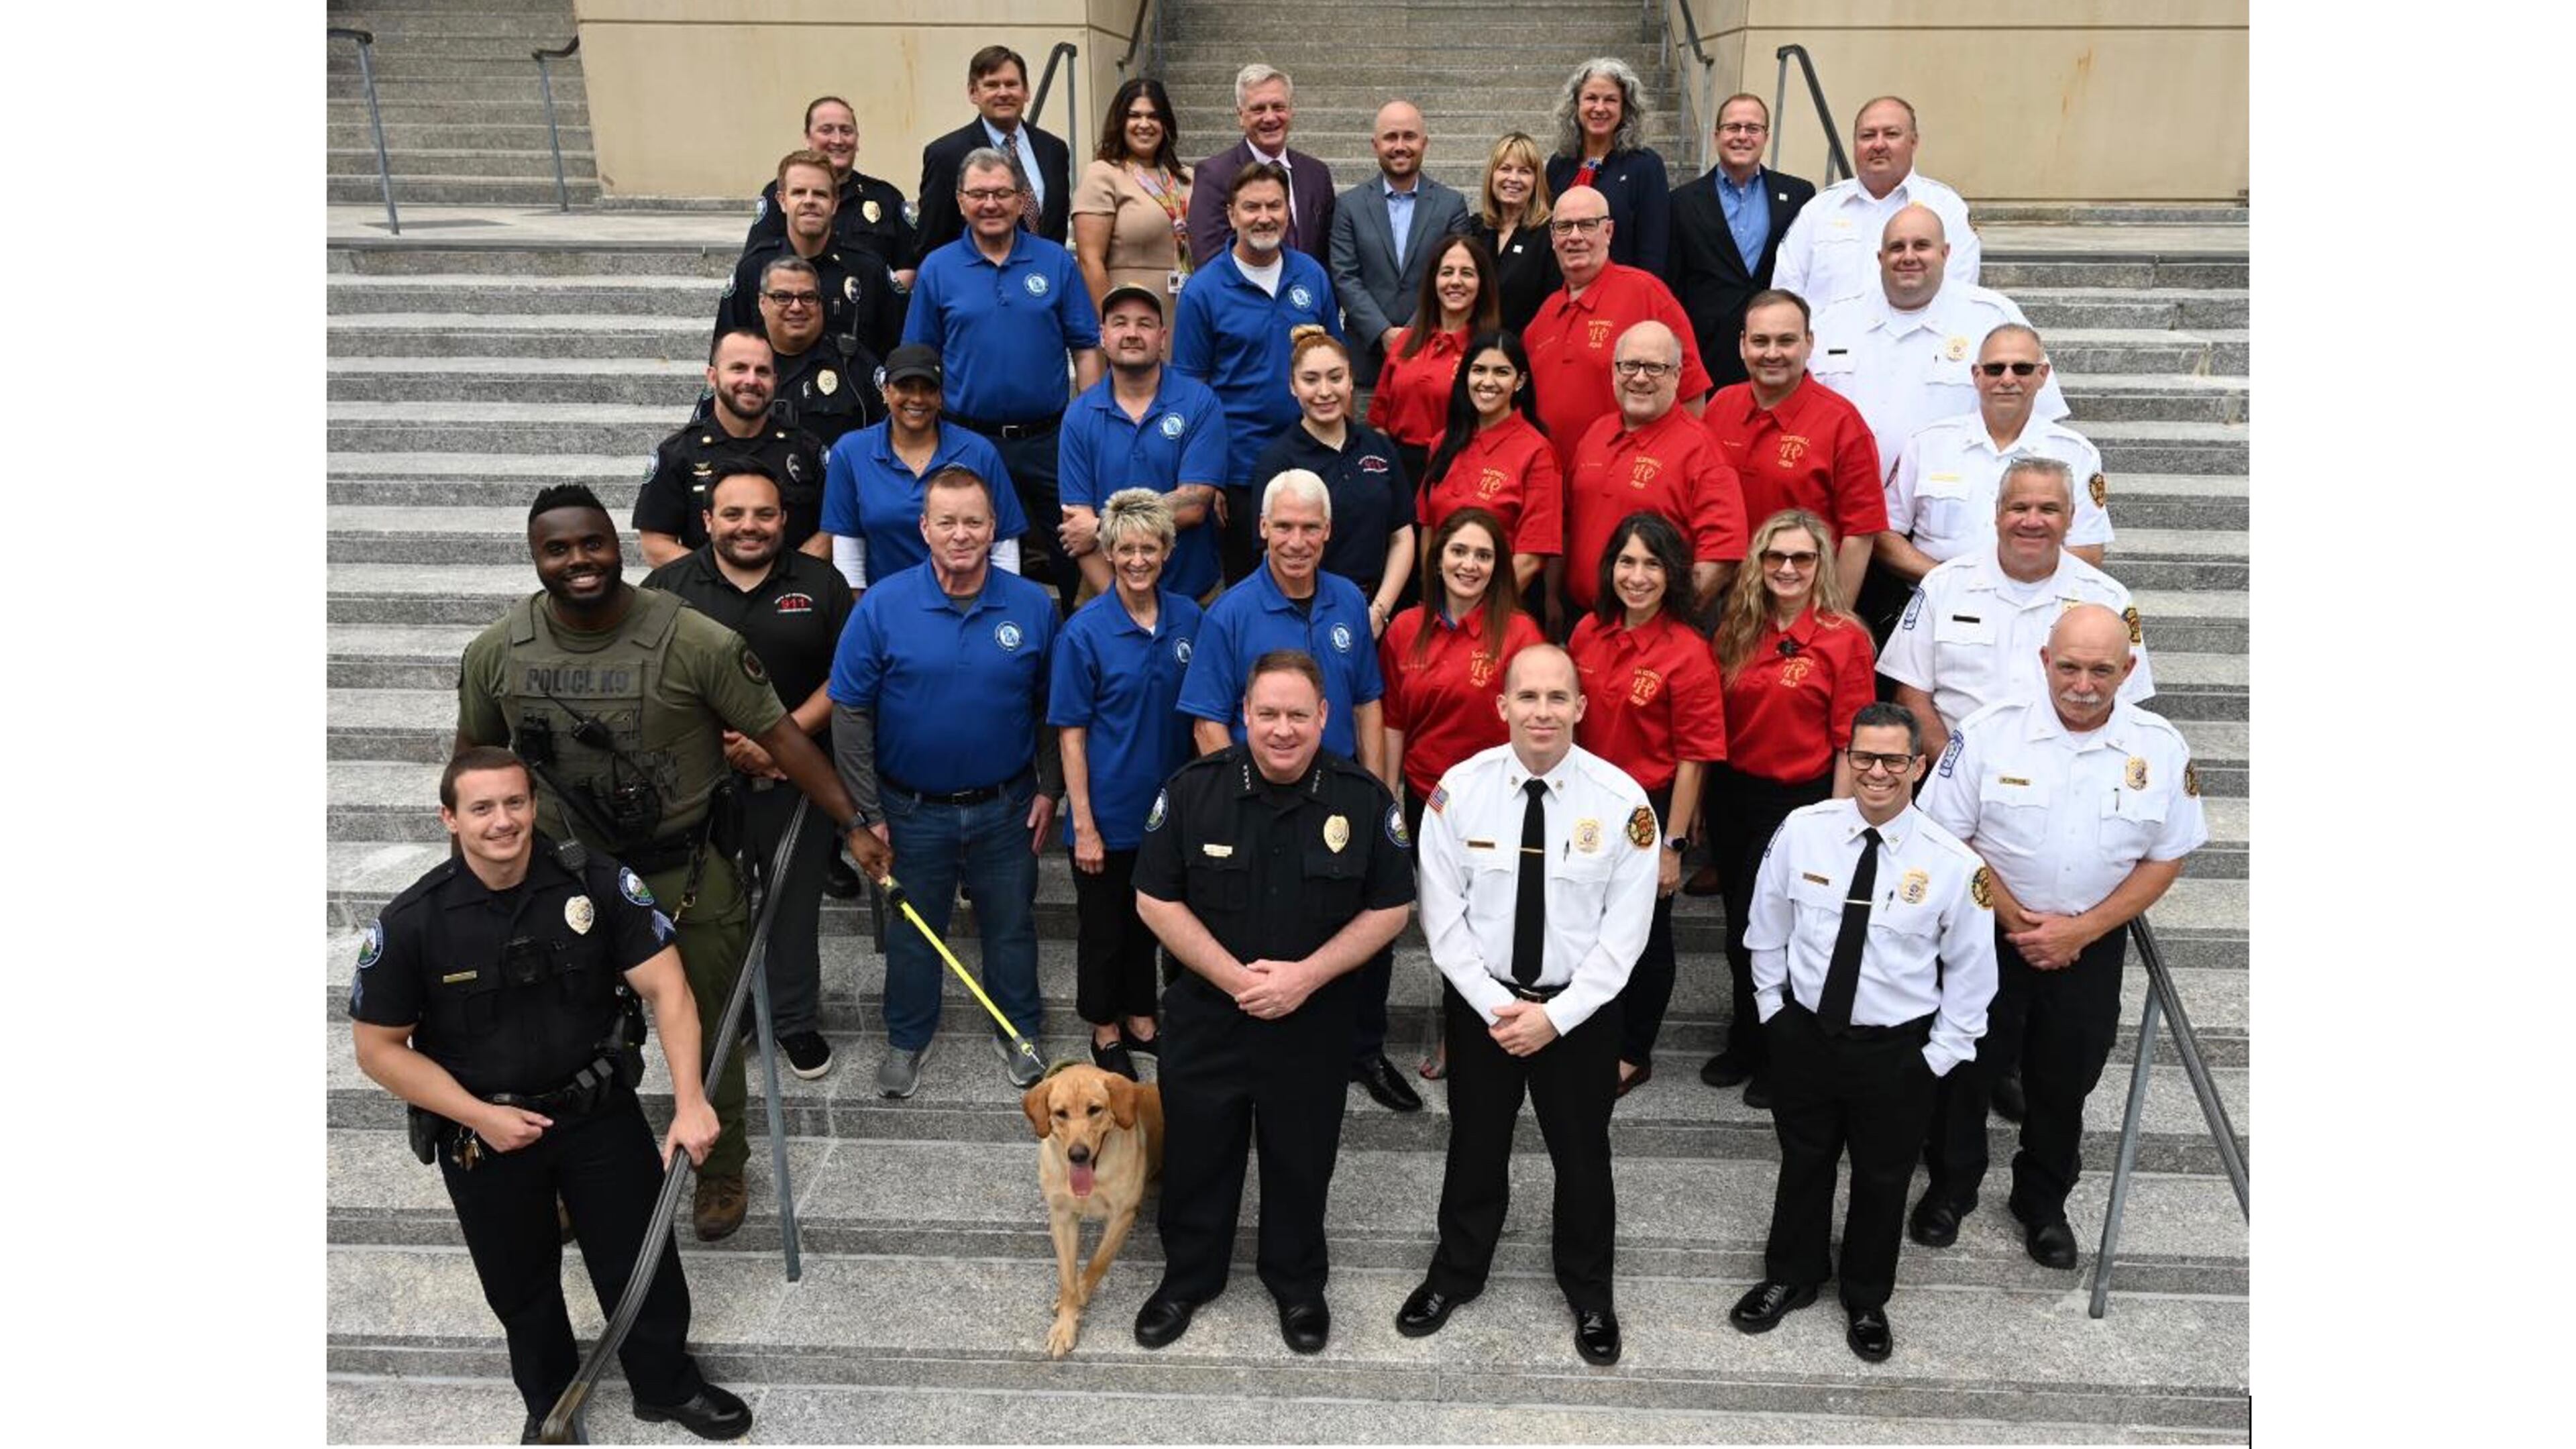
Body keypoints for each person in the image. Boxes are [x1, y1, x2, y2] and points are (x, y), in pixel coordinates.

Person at [455, 484, 883, 1242]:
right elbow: (475, 765)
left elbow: (782, 738)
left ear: (615, 544)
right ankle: (572, 1171)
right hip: (563, 877)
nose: (578, 560)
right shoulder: (496, 653)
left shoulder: (696, 639)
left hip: (683, 872)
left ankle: (719, 1170)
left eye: (591, 543)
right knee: (562, 1037)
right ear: (535, 557)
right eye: (557, 549)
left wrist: (851, 820)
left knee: (713, 1025)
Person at [349, 748, 752, 1444]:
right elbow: (378, 1049)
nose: (502, 821)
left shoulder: (596, 883)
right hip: (484, 1134)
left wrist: (690, 1101)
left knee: (640, 1257)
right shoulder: (415, 922)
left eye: (514, 803)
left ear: (533, 806)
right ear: (450, 818)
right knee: (520, 1281)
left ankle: (664, 1384)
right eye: (481, 808)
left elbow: (670, 989)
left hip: (597, 1114)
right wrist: (479, 1116)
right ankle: (551, 1404)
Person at [1130, 650, 1416, 1355]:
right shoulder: (1195, 790)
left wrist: (1305, 978)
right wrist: (1237, 979)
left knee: (1301, 1157)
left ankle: (1296, 1284)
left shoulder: (1363, 799)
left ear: (1324, 717)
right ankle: (1189, 1279)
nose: (1281, 730)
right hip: (1208, 1018)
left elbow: (1392, 909)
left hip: (1311, 1023)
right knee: (1198, 1153)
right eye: (1267, 714)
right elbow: (1154, 898)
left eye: (1297, 715)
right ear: (1244, 717)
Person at [1910, 605, 2207, 1269]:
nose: (2082, 682)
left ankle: (2042, 1202)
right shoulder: (1989, 734)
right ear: (2046, 661)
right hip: (1988, 936)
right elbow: (1944, 839)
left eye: (2101, 670)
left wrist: (2083, 930)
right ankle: (1951, 1187)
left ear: (2127, 671)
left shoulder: (2158, 747)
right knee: (1964, 1068)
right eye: (2068, 666)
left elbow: (2167, 855)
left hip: (2090, 946)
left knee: (2066, 1078)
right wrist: (2017, 920)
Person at [1399, 644, 1658, 1366]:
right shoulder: (1458, 793)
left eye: (1557, 697)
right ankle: (1455, 1273)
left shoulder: (1623, 804)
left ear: (1580, 708)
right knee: (1475, 1146)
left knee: (1583, 1157)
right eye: (1528, 696)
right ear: (1502, 706)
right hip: (1485, 1013)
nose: (1542, 711)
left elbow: (1625, 935)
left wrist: (1556, 1015)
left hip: (1579, 1015)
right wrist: (1495, 1006)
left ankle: (1590, 1292)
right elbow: (1442, 920)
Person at [1727, 702, 1996, 1364]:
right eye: (1865, 758)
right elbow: (1766, 928)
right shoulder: (1804, 830)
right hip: (1808, 1037)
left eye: (1894, 760)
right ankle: (1791, 1275)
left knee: (1883, 1178)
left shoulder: (1952, 863)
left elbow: (1972, 976)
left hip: (1897, 1051)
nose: (1878, 772)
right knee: (1804, 1162)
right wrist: (1773, 1013)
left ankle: (1867, 1296)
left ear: (1919, 766)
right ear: (1847, 759)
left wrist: (1936, 1059)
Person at [1176, 470, 1414, 1113]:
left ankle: (1364, 1051)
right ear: (1261, 530)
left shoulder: (1347, 603)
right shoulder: (1229, 613)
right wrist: (1243, 796)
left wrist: (1379, 790)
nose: (1297, 540)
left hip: (1341, 801)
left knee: (1360, 936)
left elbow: (1367, 700)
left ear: (1329, 532)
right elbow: (1206, 719)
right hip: (1260, 803)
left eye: (1310, 527)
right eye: (1284, 526)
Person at [828, 466, 1061, 1098]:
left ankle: (1020, 1033)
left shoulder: (1033, 607)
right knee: (910, 931)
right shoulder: (881, 605)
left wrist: (1049, 789)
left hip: (1007, 807)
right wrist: (866, 813)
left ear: (994, 529)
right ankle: (907, 1038)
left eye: (975, 522)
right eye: (948, 522)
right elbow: (850, 714)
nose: (962, 535)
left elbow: (1052, 710)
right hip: (910, 811)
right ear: (924, 528)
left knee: (1011, 924)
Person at [641, 462, 854, 1081]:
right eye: (733, 514)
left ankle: (794, 1021)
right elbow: (654, 682)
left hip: (798, 781)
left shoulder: (821, 583)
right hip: (702, 789)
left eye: (764, 513)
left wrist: (781, 745)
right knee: (717, 909)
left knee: (792, 905)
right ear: (707, 521)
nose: (749, 526)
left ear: (785, 519)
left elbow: (846, 677)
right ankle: (732, 1015)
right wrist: (724, 746)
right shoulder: (668, 586)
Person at [1694, 510, 1878, 1109]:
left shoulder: (1844, 636)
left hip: (1802, 801)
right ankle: (1745, 1037)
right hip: (1734, 794)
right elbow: (1713, 722)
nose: (1788, 568)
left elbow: (1852, 738)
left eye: (1801, 557)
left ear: (1820, 564)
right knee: (1741, 927)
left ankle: (1783, 1053)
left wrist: (1837, 820)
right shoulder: (1738, 628)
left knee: (1788, 933)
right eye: (1776, 557)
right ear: (1758, 564)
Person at [1377, 507, 1545, 1079]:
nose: (1469, 565)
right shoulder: (1406, 628)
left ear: (1497, 567)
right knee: (1444, 923)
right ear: (1438, 557)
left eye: (1483, 555)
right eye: (1459, 552)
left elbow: (1535, 722)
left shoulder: (1519, 633)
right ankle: (1457, 1023)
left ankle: (1468, 1034)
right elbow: (1394, 720)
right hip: (1430, 799)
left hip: (1501, 805)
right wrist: (1389, 797)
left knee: (1488, 924)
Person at [1564, 512, 1727, 1095]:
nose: (1637, 576)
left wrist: (1673, 845)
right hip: (1585, 806)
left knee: (1646, 934)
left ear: (1672, 574)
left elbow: (1695, 756)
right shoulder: (1586, 633)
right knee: (1587, 926)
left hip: (1647, 812)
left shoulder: (1688, 652)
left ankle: (1634, 1051)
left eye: (1652, 564)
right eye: (1627, 562)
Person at [1048, 488, 1206, 1079]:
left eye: (1149, 548)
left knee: (1152, 922)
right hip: (1106, 814)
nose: (1138, 560)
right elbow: (1072, 735)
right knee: (1104, 931)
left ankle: (1143, 1019)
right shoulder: (1084, 632)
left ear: (1166, 551)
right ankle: (1105, 1029)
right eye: (1126, 549)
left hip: (1169, 814)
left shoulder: (1191, 618)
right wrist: (1083, 825)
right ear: (1108, 553)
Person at [904, 147, 1104, 609]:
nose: (990, 204)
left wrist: (1088, 420)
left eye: (1001, 194)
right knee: (971, 544)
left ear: (1020, 200)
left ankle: (1077, 641)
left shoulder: (1055, 262)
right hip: (968, 438)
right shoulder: (938, 268)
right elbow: (920, 357)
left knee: (1075, 547)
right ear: (960, 201)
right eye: (978, 194)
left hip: (1050, 438)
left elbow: (1086, 347)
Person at [1879, 459, 2154, 765]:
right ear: (1998, 512)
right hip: (1959, 776)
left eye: (2049, 509)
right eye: (2019, 508)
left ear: (2071, 517)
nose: (2032, 521)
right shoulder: (1944, 585)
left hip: (2070, 775)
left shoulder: (2108, 597)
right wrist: (1954, 773)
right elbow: (1910, 695)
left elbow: (2127, 706)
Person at [1169, 163, 1344, 584]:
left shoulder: (1311, 276)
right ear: (1231, 214)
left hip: (1312, 458)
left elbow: (1336, 365)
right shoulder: (1203, 291)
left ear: (1289, 212)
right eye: (1251, 207)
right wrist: (1207, 479)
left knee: (1315, 581)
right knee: (1251, 587)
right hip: (1240, 472)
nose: (1264, 216)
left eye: (1274, 206)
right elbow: (1190, 393)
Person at [1809, 205, 2065, 473]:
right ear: (1880, 257)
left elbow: (2042, 420)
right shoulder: (1834, 321)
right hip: (1846, 499)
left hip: (1950, 503)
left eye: (1921, 246)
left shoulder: (1992, 317)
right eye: (1897, 247)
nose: (1908, 257)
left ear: (1945, 253)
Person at [1880, 322, 2112, 589]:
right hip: (1938, 597)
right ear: (1976, 375)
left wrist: (2016, 587)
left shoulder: (2076, 454)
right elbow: (1885, 534)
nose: (2007, 379)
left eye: (2022, 368)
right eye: (1995, 369)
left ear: (2043, 375)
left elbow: (2088, 550)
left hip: (2036, 602)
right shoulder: (1927, 444)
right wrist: (1948, 580)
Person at [1699, 290, 1885, 600]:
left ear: (1809, 343)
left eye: (1786, 341)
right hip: (1725, 600)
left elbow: (1860, 534)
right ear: (1743, 345)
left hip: (1799, 603)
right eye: (1760, 341)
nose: (1772, 353)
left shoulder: (1842, 423)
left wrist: (1833, 620)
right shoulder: (1720, 406)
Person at [1560, 320, 1745, 619]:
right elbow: (1568, 521)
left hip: (1654, 634)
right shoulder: (1596, 433)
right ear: (1614, 372)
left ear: (1676, 375)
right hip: (1582, 623)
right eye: (1630, 366)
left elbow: (1722, 555)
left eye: (1654, 368)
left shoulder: (1701, 450)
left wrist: (1666, 622)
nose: (1640, 378)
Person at [1056, 285, 1229, 602]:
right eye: (1120, 323)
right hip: (1106, 594)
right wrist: (1125, 608)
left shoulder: (1200, 402)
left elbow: (1193, 506)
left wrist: (1101, 526)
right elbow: (1076, 528)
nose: (1132, 333)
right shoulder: (1079, 415)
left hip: (1193, 594)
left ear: (1163, 338)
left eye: (1144, 324)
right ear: (1102, 336)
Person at [1525, 186, 1711, 475]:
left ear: (1609, 231)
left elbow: (1691, 395)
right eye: (1563, 227)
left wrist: (1657, 470)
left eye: (1588, 225)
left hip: (1626, 484)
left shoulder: (1646, 294)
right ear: (1552, 238)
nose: (1575, 237)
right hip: (1553, 487)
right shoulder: (1545, 314)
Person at [819, 343, 1027, 592]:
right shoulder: (852, 452)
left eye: (928, 388)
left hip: (970, 604)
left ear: (940, 398)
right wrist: (863, 617)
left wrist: (1000, 608)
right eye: (905, 387)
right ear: (885, 391)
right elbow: (849, 554)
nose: (917, 398)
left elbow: (1003, 544)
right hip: (888, 607)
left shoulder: (979, 452)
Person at [1250, 328, 1413, 628]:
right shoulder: (1277, 460)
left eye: (1335, 377)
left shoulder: (1379, 447)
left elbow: (1402, 536)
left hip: (1378, 610)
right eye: (1311, 380)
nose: (1325, 391)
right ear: (1293, 386)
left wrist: (1378, 613)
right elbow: (1271, 553)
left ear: (1351, 380)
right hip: (1309, 616)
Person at [635, 329, 827, 569]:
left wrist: (786, 579)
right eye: (739, 368)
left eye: (763, 371)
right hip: (705, 601)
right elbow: (656, 544)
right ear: (713, 377)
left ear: (775, 382)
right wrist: (720, 583)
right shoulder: (677, 453)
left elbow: (833, 531)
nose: (751, 380)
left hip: (791, 597)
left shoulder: (807, 449)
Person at [1772, 95, 1979, 310]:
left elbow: (1959, 296)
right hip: (1830, 342)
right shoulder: (1819, 210)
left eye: (1891, 134)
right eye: (1868, 135)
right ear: (1855, 144)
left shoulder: (1946, 208)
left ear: (1914, 142)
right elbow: (1785, 295)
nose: (1878, 144)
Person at [1667, 94, 1815, 387]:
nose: (1742, 136)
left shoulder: (1799, 195)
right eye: (1733, 128)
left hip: (1776, 347)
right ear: (1717, 135)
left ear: (1766, 136)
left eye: (1752, 128)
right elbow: (1674, 279)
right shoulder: (1681, 202)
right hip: (1708, 348)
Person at [1328, 99, 1472, 388]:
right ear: (1375, 144)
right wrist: (1382, 333)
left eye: (1409, 136)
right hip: (1366, 355)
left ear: (1425, 142)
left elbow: (1456, 275)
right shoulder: (1349, 206)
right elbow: (1345, 276)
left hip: (1434, 350)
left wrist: (1413, 333)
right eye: (1390, 137)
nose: (1400, 146)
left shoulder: (1451, 205)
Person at [1415, 330, 1558, 611]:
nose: (1488, 382)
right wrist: (1436, 601)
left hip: (1502, 610)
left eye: (1501, 372)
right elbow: (1429, 529)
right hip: (1442, 607)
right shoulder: (1444, 442)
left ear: (1520, 381)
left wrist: (1477, 613)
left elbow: (1531, 557)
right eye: (1479, 370)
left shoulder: (1538, 451)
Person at [718, 150, 907, 364]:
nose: (809, 201)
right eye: (798, 192)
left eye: (820, 194)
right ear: (782, 201)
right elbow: (725, 359)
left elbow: (899, 354)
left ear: (835, 203)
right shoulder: (752, 271)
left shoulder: (869, 270)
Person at [914, 44, 1073, 258]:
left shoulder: (1054, 150)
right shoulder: (946, 155)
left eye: (1011, 84)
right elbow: (931, 240)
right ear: (973, 93)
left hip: (1046, 279)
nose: (1003, 93)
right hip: (977, 282)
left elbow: (1056, 226)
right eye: (991, 85)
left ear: (1026, 92)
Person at [1368, 233, 1501, 487]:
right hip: (1398, 474)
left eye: (1467, 273)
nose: (1455, 281)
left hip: (1458, 474)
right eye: (1447, 272)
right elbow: (1379, 420)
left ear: (1482, 282)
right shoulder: (1404, 342)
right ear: (1433, 280)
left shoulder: (1490, 352)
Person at [744, 95, 918, 288]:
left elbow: (909, 267)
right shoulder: (780, 192)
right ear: (808, 138)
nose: (838, 140)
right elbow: (757, 264)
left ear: (857, 139)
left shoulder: (886, 197)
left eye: (846, 131)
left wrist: (871, 300)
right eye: (826, 130)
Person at [1183, 63, 1336, 266]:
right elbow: (1209, 257)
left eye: (1278, 107)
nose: (1270, 117)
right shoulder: (1214, 175)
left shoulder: (1317, 174)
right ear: (1240, 116)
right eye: (1258, 109)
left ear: (1291, 112)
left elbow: (1327, 253)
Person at [1072, 77, 1193, 312]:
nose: (1145, 124)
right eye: (1135, 116)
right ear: (1120, 122)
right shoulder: (1102, 174)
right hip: (1130, 316)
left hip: (1186, 312)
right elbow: (1090, 261)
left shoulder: (1188, 177)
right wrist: (1110, 323)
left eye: (1154, 116)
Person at [1544, 58, 1670, 277]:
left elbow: (1653, 250)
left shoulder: (1645, 166)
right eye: (1591, 98)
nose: (1600, 108)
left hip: (1621, 299)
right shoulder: (1559, 164)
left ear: (1625, 107)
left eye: (1610, 100)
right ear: (1576, 105)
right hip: (1564, 293)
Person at [753, 254, 884, 453]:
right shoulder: (742, 362)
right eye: (782, 297)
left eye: (807, 297)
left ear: (820, 303)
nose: (796, 307)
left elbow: (893, 434)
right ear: (762, 303)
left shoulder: (853, 363)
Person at [1466, 131, 1561, 335]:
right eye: (1505, 169)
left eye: (1524, 171)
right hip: (1476, 355)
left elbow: (1554, 305)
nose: (1513, 179)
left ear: (1536, 181)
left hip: (1525, 354)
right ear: (1492, 175)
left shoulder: (1549, 234)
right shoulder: (1474, 229)